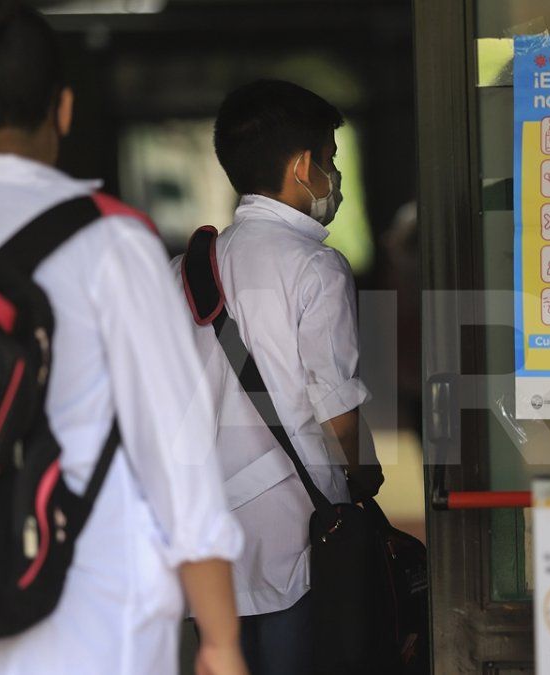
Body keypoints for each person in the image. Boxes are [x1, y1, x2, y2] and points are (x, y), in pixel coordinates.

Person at [0, 1, 247, 673]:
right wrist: (220, 637)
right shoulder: (111, 242)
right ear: (63, 110)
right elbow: (175, 452)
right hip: (85, 624)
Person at [172, 79, 384, 675]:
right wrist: (367, 474)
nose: (334, 178)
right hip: (300, 533)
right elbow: (336, 406)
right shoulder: (316, 268)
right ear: (302, 167)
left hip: (209, 537)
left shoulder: (184, 272)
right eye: (331, 162)